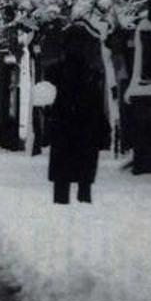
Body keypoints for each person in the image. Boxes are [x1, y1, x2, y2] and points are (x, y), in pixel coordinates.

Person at [45, 54, 108, 204]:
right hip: (85, 138)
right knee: (84, 184)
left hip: (64, 138)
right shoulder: (91, 77)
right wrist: (103, 134)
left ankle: (61, 212)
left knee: (61, 185)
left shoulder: (57, 75)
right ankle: (83, 211)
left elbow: (50, 107)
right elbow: (97, 109)